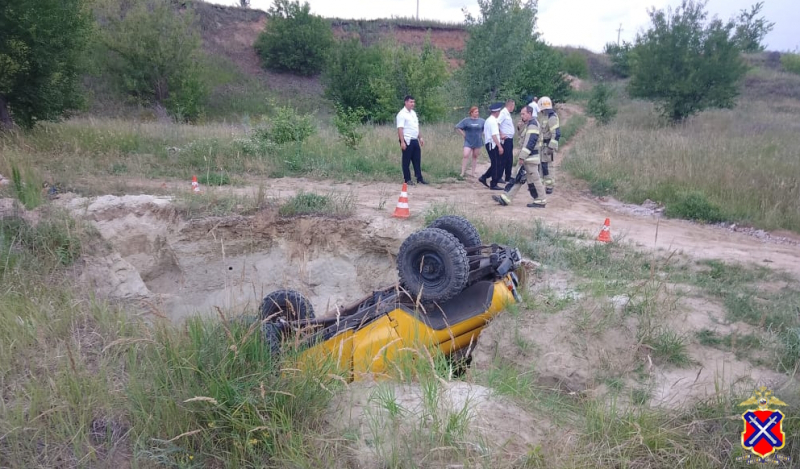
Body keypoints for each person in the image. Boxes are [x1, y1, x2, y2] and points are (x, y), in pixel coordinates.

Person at [492, 105, 546, 208]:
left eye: (523, 114)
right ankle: (506, 198)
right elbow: (522, 137)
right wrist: (520, 127)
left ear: (530, 114)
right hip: (527, 158)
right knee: (518, 178)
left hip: (530, 158)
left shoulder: (533, 125)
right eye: (521, 114)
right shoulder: (529, 124)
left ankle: (541, 200)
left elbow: (530, 142)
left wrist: (522, 156)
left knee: (533, 180)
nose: (522, 116)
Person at [396, 95, 427, 185]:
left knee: (417, 159)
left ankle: (419, 178)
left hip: (414, 139)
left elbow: (416, 127)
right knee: (406, 160)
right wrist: (402, 141)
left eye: (413, 102)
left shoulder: (413, 113)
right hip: (406, 139)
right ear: (406, 102)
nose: (412, 104)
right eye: (411, 102)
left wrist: (420, 137)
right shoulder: (402, 114)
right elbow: (400, 129)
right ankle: (407, 179)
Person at [537, 96, 560, 194]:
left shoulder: (552, 117)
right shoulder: (546, 116)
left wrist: (551, 147)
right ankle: (541, 185)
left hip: (548, 146)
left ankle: (549, 186)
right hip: (544, 146)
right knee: (542, 166)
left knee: (548, 166)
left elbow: (556, 133)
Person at [478, 103, 504, 190]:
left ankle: (484, 177)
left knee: (495, 163)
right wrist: (499, 146)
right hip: (492, 144)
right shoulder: (493, 121)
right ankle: (493, 183)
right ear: (497, 112)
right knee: (496, 164)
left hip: (490, 143)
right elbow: (494, 135)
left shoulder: (488, 120)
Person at [454, 106, 485, 179]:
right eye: (475, 112)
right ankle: (462, 172)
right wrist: (463, 134)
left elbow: (486, 128)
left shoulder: (482, 121)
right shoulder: (466, 120)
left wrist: (483, 133)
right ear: (471, 113)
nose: (477, 113)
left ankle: (473, 173)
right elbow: (458, 127)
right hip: (468, 140)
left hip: (477, 141)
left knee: (475, 156)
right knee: (465, 155)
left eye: (478, 112)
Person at [497, 99, 516, 183]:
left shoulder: (508, 114)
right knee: (504, 158)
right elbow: (497, 124)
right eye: (513, 106)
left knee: (509, 159)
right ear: (511, 105)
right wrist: (500, 134)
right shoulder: (503, 113)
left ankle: (508, 176)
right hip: (505, 139)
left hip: (510, 139)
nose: (514, 108)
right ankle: (499, 176)